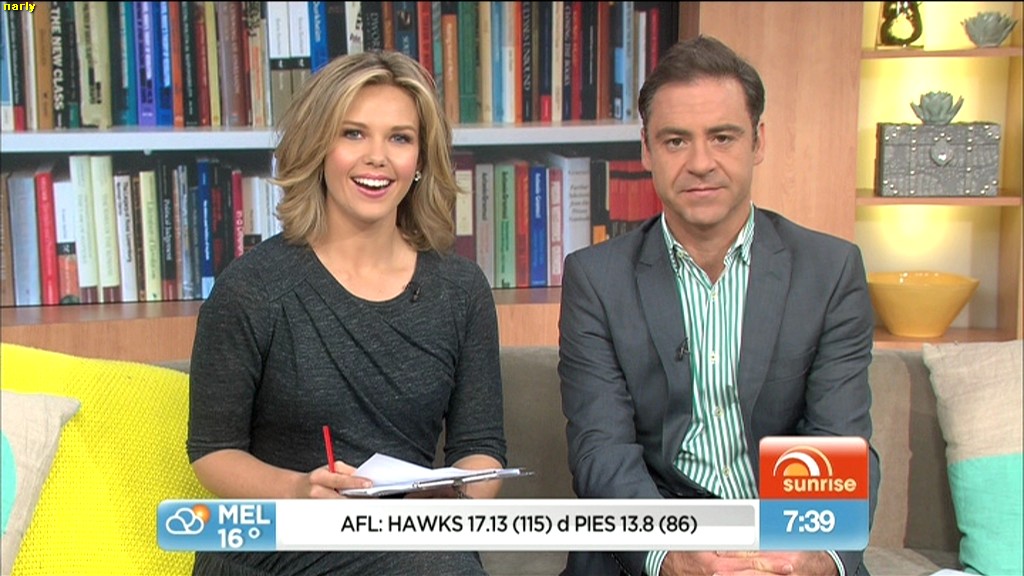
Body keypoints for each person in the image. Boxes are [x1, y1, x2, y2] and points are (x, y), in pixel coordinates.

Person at [558, 36, 879, 576]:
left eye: (722, 137)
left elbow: (836, 440)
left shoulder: (830, 271)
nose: (700, 163)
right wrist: (669, 556)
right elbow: (602, 451)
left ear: (758, 141)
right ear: (646, 151)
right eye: (676, 141)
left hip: (782, 532)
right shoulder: (596, 280)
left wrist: (801, 558)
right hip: (654, 538)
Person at [186, 50, 506, 576]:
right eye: (353, 134)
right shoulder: (253, 288)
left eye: (399, 138)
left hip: (412, 542)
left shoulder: (461, 290)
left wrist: (454, 502)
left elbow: (481, 449)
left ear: (420, 160)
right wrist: (298, 490)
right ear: (319, 147)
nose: (377, 157)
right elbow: (213, 452)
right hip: (280, 537)